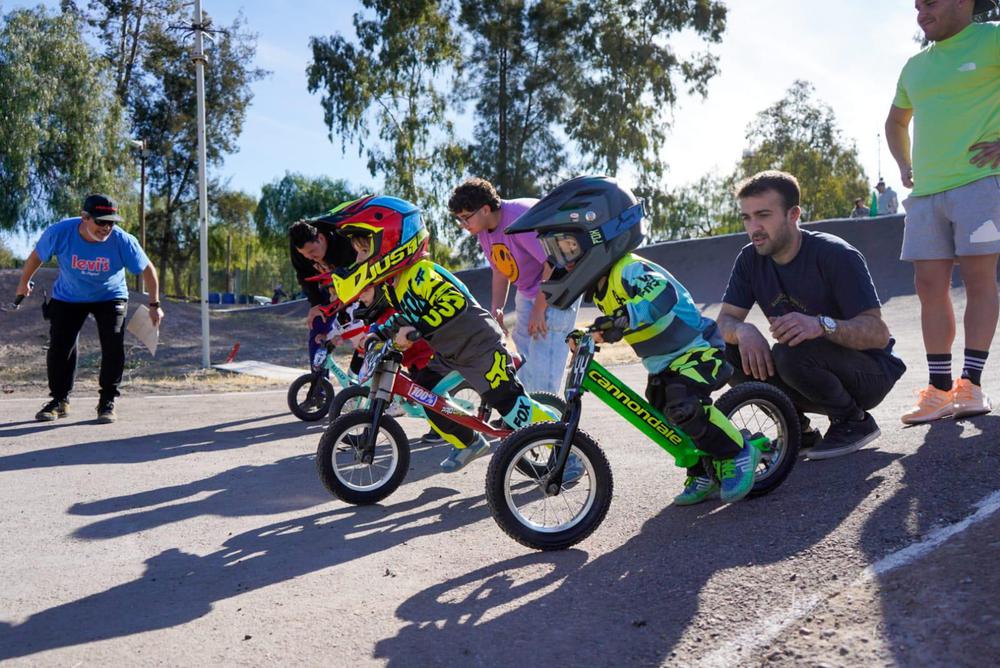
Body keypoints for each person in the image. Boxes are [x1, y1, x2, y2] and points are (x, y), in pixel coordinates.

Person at [507, 175, 760, 506]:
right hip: (665, 363)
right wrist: (590, 334)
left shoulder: (628, 269)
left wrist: (624, 318)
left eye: (565, 247)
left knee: (682, 404)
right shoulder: (599, 288)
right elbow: (611, 324)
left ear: (598, 235)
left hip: (698, 350)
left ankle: (740, 452)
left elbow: (661, 294)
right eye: (553, 252)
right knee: (663, 411)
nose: (562, 260)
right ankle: (702, 469)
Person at [326, 195, 567, 473]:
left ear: (390, 243)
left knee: (514, 408)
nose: (359, 259)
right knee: (424, 393)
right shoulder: (396, 284)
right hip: (450, 353)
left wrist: (417, 330)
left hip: (480, 348)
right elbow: (403, 317)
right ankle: (469, 442)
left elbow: (452, 304)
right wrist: (378, 335)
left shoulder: (421, 274)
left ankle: (567, 449)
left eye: (363, 252)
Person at [716, 171, 906, 460]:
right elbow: (724, 322)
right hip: (804, 370)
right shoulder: (749, 259)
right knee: (728, 351)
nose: (754, 227)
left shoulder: (835, 255)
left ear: (793, 214)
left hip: (867, 372)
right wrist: (742, 331)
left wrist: (821, 326)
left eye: (763, 215)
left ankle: (854, 422)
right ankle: (796, 429)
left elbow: (878, 334)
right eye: (746, 217)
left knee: (790, 351)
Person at [884, 0, 1000, 424]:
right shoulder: (914, 66)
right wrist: (904, 164)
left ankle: (971, 385)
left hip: (980, 185)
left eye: (929, 3)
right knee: (929, 285)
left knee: (978, 280)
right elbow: (895, 122)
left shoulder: (993, 38)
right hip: (927, 192)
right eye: (916, 7)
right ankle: (937, 390)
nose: (920, 12)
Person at [14, 194, 164, 423]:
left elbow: (148, 270)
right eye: (101, 221)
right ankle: (59, 400)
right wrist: (24, 283)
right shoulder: (61, 232)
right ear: (84, 217)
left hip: (110, 295)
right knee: (60, 346)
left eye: (111, 222)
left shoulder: (123, 240)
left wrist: (155, 305)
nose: (106, 228)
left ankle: (107, 401)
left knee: (113, 343)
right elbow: (36, 257)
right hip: (68, 296)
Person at [447, 178, 579, 394]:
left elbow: (554, 263)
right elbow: (500, 270)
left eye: (465, 218)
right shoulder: (483, 231)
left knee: (545, 360)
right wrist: (497, 309)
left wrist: (539, 308)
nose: (463, 225)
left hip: (558, 288)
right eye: (459, 220)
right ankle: (529, 419)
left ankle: (551, 420)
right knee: (524, 358)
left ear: (486, 209)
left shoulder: (520, 219)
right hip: (529, 291)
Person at [289, 217, 357, 374]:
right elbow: (304, 276)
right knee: (318, 325)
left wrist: (345, 302)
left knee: (362, 329)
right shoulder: (299, 250)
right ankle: (319, 384)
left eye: (312, 252)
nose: (310, 257)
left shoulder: (343, 241)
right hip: (328, 288)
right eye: (305, 255)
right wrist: (315, 304)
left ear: (321, 238)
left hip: (357, 288)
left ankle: (364, 380)